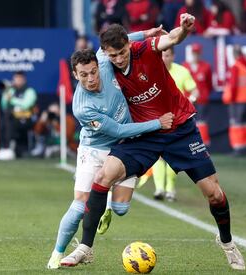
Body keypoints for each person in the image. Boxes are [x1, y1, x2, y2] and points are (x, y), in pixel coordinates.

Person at [61, 13, 246, 271]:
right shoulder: (104, 63)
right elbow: (115, 123)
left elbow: (170, 39)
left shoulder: (143, 50)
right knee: (103, 177)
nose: (118, 59)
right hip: (144, 134)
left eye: (122, 52)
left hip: (179, 128)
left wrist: (183, 29)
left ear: (128, 45)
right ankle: (85, 247)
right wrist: (156, 123)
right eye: (112, 55)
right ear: (105, 54)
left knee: (214, 194)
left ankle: (226, 242)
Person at [47, 29, 174, 269]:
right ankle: (57, 252)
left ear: (99, 64)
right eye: (84, 75)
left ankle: (106, 199)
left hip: (124, 147)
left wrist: (149, 33)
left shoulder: (105, 60)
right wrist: (157, 124)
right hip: (94, 149)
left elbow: (121, 41)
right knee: (79, 206)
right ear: (75, 75)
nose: (91, 78)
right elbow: (116, 130)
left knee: (121, 209)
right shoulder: (82, 107)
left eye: (93, 72)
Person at [150, 46, 198, 201]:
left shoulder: (182, 71)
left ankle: (170, 189)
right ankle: (159, 189)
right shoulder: (152, 72)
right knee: (157, 155)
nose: (165, 58)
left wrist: (191, 99)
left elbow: (194, 90)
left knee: (172, 155)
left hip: (178, 120)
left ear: (173, 56)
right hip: (158, 119)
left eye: (168, 55)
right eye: (163, 55)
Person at [223, 45, 246, 156]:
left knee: (236, 124)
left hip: (239, 100)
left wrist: (232, 99)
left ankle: (239, 148)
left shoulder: (236, 66)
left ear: (234, 54)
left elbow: (233, 85)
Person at [0, 71, 37, 160]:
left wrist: (12, 100)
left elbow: (26, 105)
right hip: (11, 118)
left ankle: (10, 147)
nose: (17, 81)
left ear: (24, 79)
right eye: (16, 78)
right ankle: (4, 147)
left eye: (19, 79)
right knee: (5, 118)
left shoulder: (29, 91)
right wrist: (6, 93)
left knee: (10, 120)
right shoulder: (11, 90)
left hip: (26, 118)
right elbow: (4, 106)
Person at [183, 43, 213, 145]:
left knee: (202, 121)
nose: (196, 55)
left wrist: (205, 93)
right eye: (194, 53)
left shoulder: (206, 66)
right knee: (188, 122)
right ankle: (190, 143)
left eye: (197, 53)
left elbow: (209, 83)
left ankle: (203, 143)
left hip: (202, 99)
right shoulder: (185, 66)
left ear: (200, 54)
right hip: (188, 99)